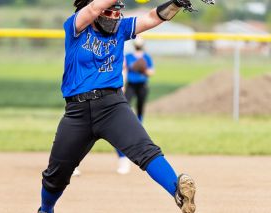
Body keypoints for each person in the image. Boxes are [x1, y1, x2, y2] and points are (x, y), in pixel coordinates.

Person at [38, 0, 197, 213]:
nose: (114, 17)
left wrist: (176, 3)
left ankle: (178, 191)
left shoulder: (121, 29)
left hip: (112, 106)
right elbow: (94, 8)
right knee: (56, 174)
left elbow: (152, 17)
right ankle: (46, 210)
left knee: (146, 151)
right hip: (77, 112)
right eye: (109, 12)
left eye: (117, 13)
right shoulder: (76, 26)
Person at [124, 36, 154, 122]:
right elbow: (125, 71)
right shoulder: (128, 56)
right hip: (131, 85)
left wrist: (143, 69)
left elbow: (151, 72)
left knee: (140, 104)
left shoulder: (146, 57)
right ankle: (129, 121)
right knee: (126, 104)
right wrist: (123, 85)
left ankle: (140, 122)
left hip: (142, 84)